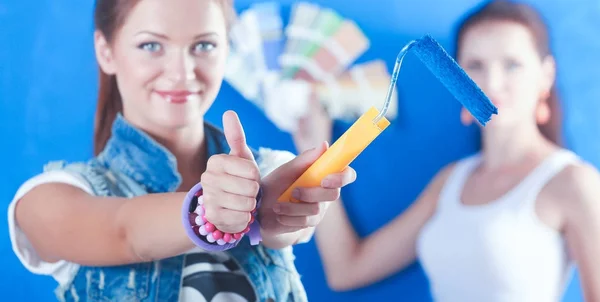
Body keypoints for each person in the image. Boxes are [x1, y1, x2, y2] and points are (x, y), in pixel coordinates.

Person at [7, 0, 356, 301]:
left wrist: (272, 212)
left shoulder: (271, 170)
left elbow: (287, 230)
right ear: (106, 51)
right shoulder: (46, 200)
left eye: (203, 46)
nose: (181, 73)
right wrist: (208, 212)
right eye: (151, 46)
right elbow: (124, 233)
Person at [292, 1, 600, 301]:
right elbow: (346, 270)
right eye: (475, 66)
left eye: (512, 65)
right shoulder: (451, 181)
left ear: (546, 75)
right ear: (455, 79)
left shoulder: (574, 182)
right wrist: (317, 153)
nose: (492, 83)